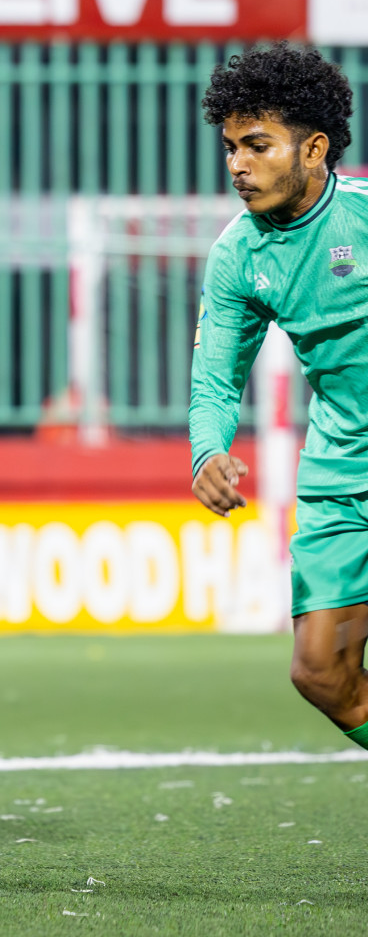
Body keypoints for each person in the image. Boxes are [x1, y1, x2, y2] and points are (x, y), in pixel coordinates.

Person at [189, 44, 368, 751]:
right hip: (342, 470)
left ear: (314, 149)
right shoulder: (237, 254)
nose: (238, 164)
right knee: (321, 671)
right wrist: (208, 451)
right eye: (231, 147)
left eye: (257, 146)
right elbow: (215, 376)